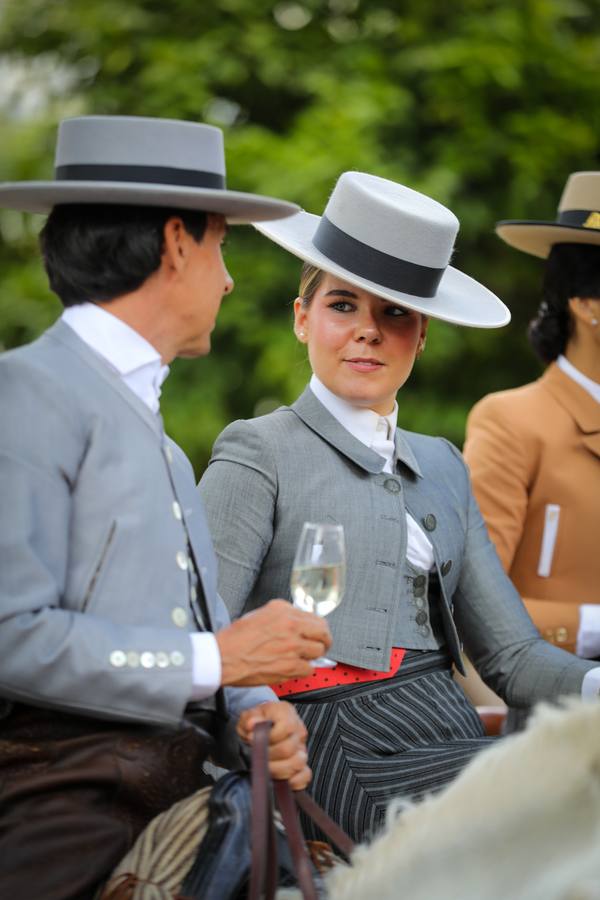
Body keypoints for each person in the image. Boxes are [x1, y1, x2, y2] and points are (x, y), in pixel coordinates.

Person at [198, 171, 600, 842]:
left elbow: (513, 657)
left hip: (450, 723)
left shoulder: (441, 462)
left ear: (422, 337)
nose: (368, 333)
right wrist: (255, 714)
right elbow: (206, 635)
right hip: (326, 734)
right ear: (302, 320)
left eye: (395, 314)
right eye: (343, 306)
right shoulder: (257, 449)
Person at [0, 115, 332, 899]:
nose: (227, 279)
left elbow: (211, 636)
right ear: (178, 242)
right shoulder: (22, 391)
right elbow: (10, 634)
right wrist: (221, 663)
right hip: (62, 811)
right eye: (222, 246)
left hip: (179, 789)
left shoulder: (168, 443)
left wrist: (254, 714)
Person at [464, 172, 600, 662]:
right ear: (586, 303)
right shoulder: (511, 420)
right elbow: (474, 606)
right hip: (558, 711)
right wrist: (590, 625)